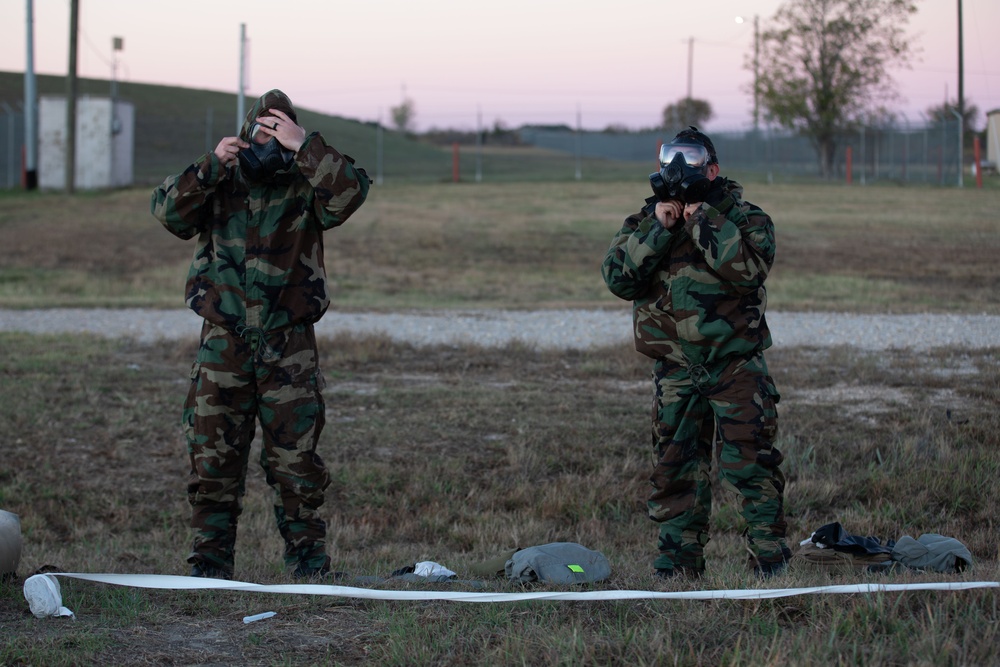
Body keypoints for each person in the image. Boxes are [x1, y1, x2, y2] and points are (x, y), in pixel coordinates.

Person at [151, 89, 370, 580]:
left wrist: (305, 146)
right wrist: (210, 165)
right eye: (263, 130)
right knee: (213, 460)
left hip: (287, 347)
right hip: (223, 343)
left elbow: (351, 192)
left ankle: (309, 567)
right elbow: (168, 214)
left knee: (296, 464)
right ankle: (209, 566)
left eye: (280, 130)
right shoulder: (220, 179)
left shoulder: (305, 184)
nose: (269, 141)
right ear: (247, 133)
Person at [601, 127, 790, 579]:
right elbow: (618, 278)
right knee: (675, 470)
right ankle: (677, 567)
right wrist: (659, 229)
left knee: (752, 466)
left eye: (690, 159)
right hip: (676, 371)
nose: (679, 168)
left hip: (735, 366)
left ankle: (770, 563)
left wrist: (702, 220)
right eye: (671, 157)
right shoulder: (646, 222)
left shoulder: (745, 218)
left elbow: (748, 271)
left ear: (713, 168)